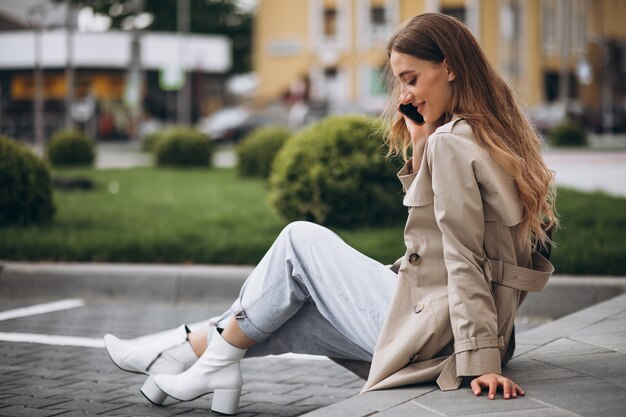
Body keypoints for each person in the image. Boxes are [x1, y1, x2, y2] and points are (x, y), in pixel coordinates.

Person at [104, 12, 557, 415]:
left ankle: (192, 357)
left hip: (442, 333)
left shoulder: (451, 142)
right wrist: (421, 153)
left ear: (451, 67)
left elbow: (462, 257)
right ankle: (185, 356)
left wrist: (480, 361)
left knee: (299, 240)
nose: (405, 94)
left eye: (412, 78)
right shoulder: (490, 134)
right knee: (287, 307)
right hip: (470, 330)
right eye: (399, 82)